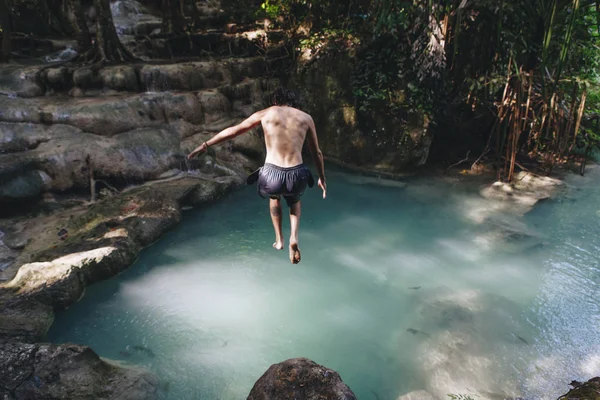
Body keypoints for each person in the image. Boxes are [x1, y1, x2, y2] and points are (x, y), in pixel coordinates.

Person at [187, 88, 327, 264]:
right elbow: (317, 154)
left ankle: (279, 239)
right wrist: (322, 177)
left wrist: (205, 144)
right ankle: (294, 237)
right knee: (294, 201)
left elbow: (234, 131)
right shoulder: (306, 118)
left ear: (275, 101)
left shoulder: (266, 113)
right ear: (294, 103)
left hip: (272, 174)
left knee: (274, 196)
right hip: (296, 174)